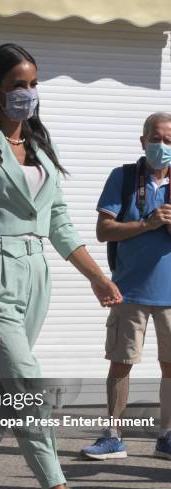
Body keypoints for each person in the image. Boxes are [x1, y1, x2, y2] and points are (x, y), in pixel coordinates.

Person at [0, 43, 122, 489]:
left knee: (1, 403)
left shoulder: (40, 145)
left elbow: (60, 222)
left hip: (35, 279)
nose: (28, 93)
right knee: (28, 392)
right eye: (19, 84)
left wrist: (96, 275)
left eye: (34, 83)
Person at [81, 112, 171, 460]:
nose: (161, 146)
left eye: (167, 140)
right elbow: (104, 231)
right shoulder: (123, 177)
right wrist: (147, 224)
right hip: (129, 290)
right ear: (142, 140)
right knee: (120, 363)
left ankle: (166, 435)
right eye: (155, 138)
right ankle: (113, 435)